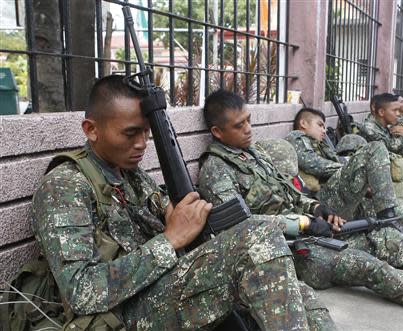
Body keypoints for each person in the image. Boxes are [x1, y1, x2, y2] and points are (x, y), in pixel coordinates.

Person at [31, 75, 314, 331]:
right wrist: (169, 240)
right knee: (257, 240)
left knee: (298, 293)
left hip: (156, 292)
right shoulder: (65, 187)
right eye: (131, 134)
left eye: (146, 132)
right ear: (91, 129)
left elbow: (174, 215)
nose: (142, 143)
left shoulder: (130, 175)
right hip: (121, 315)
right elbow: (81, 292)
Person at [197, 89, 403, 320]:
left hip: (315, 235)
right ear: (218, 132)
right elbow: (240, 227)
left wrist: (317, 209)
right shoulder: (216, 170)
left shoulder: (256, 155)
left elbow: (292, 194)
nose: (248, 129)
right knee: (369, 267)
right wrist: (304, 223)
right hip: (288, 253)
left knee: (385, 240)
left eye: (248, 120)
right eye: (239, 125)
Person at [285, 108, 403, 236]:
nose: (323, 130)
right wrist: (355, 171)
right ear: (304, 124)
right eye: (319, 125)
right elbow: (314, 164)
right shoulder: (297, 137)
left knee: (402, 210)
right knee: (375, 148)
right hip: (323, 205)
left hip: (340, 198)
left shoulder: (320, 145)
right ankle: (388, 222)